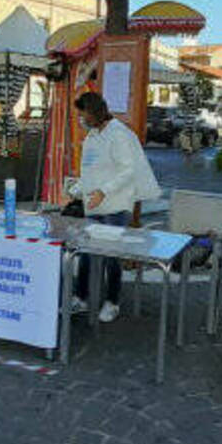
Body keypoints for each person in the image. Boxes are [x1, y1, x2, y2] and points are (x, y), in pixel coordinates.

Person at [72, 91, 160, 323]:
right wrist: (75, 189)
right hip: (94, 205)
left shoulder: (118, 134)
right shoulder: (92, 136)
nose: (81, 118)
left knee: (112, 256)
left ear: (94, 112)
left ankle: (112, 302)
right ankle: (81, 297)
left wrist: (104, 192)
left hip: (115, 206)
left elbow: (127, 171)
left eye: (83, 113)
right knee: (87, 252)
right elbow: (89, 171)